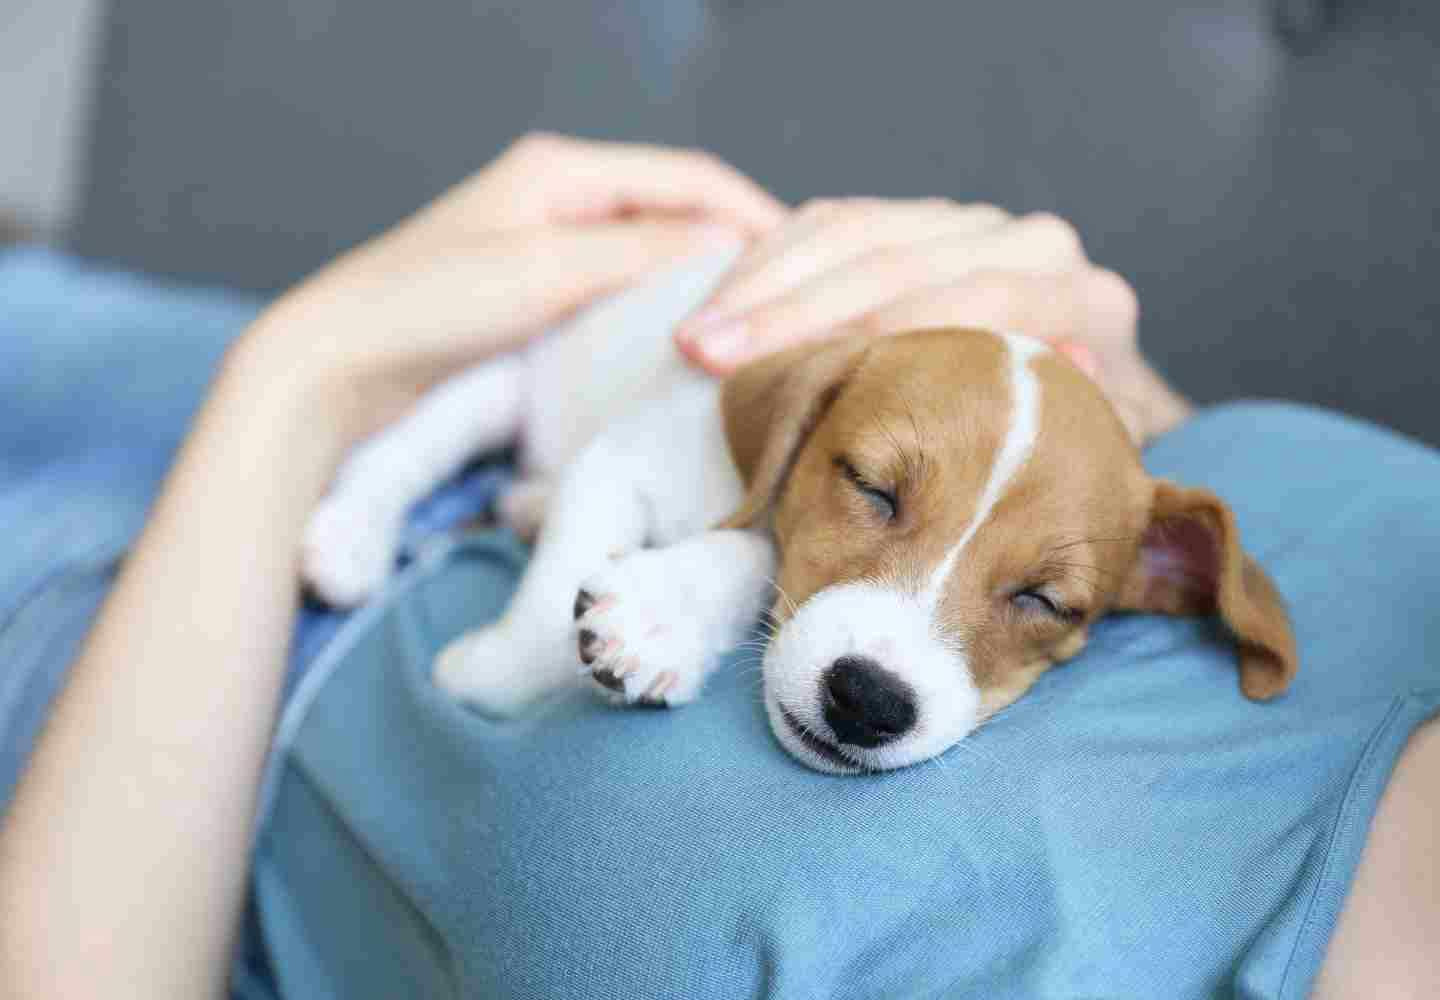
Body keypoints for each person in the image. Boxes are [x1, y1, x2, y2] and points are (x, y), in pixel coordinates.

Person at [0, 134, 1434, 998]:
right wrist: (1076, 357)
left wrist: (289, 392)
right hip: (412, 377)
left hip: (156, 744)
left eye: (1039, 600)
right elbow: (1088, 461)